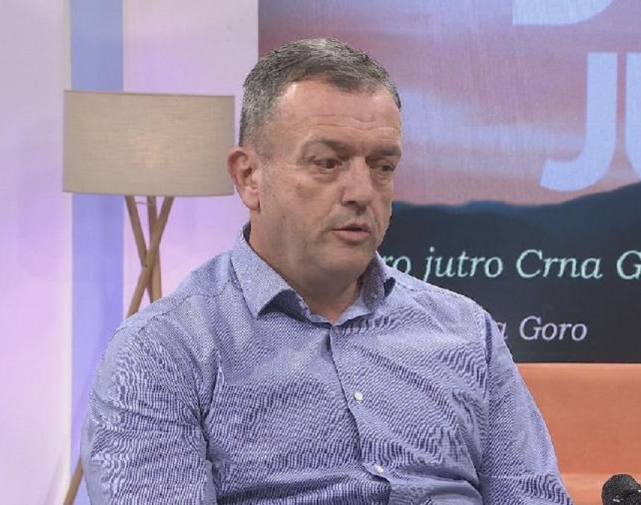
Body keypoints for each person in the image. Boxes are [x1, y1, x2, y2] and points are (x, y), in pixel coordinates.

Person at [83, 38, 572, 504]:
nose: (362, 192)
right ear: (249, 177)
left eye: (382, 166)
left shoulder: (466, 331)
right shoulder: (164, 351)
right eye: (327, 162)